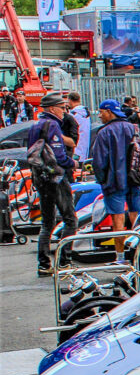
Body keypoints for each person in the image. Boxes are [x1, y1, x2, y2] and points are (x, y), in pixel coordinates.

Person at [26, 92, 77, 275]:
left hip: (40, 177)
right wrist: (73, 163)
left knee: (47, 222)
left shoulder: (35, 125)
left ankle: (44, 264)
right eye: (62, 108)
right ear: (52, 108)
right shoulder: (53, 124)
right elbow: (59, 156)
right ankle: (65, 262)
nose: (64, 111)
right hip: (56, 178)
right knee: (70, 220)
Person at [93, 99, 140, 264]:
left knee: (117, 220)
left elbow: (99, 162)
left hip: (114, 182)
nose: (100, 116)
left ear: (109, 112)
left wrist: (102, 180)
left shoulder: (104, 132)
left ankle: (120, 257)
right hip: (135, 179)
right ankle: (139, 254)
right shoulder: (134, 128)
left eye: (101, 112)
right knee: (137, 216)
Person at [67, 92, 92, 160]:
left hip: (75, 147)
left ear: (70, 100)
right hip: (85, 147)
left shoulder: (73, 115)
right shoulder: (85, 113)